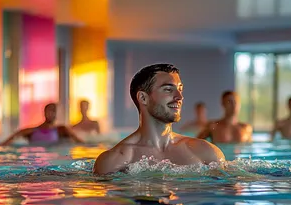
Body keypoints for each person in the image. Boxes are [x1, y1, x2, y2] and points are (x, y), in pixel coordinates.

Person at [93, 64, 225, 175]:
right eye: (168, 89)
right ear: (143, 98)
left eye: (180, 89)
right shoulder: (114, 161)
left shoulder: (206, 152)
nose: (179, 97)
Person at [2, 103, 83, 145]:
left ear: (57, 113)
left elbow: (80, 142)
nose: (51, 113)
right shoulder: (32, 131)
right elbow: (12, 138)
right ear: (44, 112)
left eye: (53, 111)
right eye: (49, 111)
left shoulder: (62, 129)